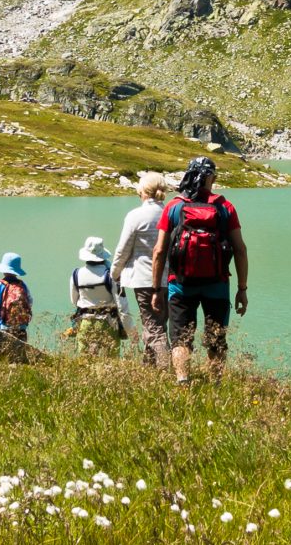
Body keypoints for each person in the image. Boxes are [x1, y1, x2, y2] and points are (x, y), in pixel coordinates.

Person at [150, 156, 248, 384]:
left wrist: (156, 289)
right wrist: (242, 288)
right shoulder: (225, 207)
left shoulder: (174, 207)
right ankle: (215, 384)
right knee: (216, 338)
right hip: (218, 285)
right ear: (211, 177)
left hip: (181, 285)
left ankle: (183, 381)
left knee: (181, 338)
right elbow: (240, 250)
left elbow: (158, 251)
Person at [110, 171, 173, 364]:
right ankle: (148, 369)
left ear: (143, 191)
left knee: (154, 327)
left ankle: (166, 370)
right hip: (171, 279)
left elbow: (123, 249)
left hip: (145, 279)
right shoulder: (172, 213)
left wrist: (114, 273)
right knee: (157, 323)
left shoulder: (136, 216)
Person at [66, 236, 124, 353]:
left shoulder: (76, 274)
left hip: (85, 322)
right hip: (109, 322)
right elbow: (121, 303)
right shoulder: (110, 275)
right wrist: (128, 327)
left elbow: (74, 300)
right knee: (110, 361)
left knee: (85, 360)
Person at [0, 252, 34, 345]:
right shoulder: (23, 285)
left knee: (3, 351)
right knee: (21, 351)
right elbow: (30, 302)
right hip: (21, 328)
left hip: (4, 326)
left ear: (3, 270)